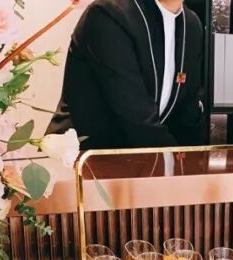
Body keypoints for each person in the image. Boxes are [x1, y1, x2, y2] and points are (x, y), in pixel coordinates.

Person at [48, 0, 206, 149]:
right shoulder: (109, 14)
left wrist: (200, 161)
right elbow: (136, 115)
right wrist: (174, 163)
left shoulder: (191, 25)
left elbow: (188, 110)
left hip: (140, 159)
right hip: (82, 156)